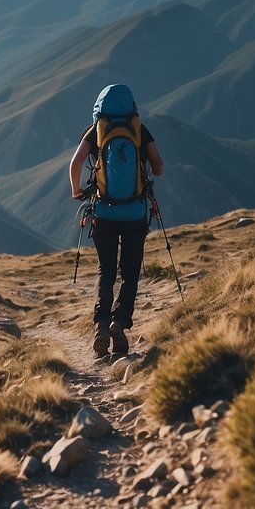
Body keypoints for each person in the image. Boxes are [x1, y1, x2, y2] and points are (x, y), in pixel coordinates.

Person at [68, 84, 163, 357]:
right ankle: (119, 322)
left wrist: (77, 192)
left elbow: (75, 164)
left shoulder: (97, 130)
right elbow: (158, 166)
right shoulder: (139, 129)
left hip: (104, 213)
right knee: (130, 272)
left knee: (105, 270)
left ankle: (100, 325)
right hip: (134, 213)